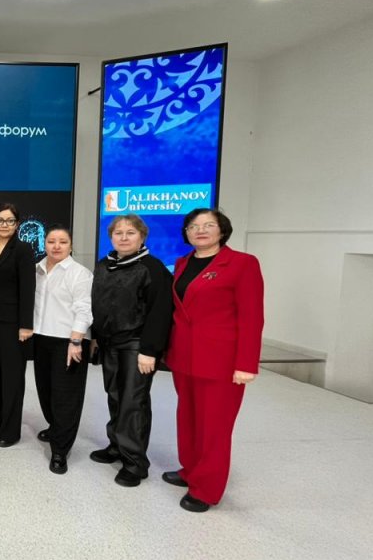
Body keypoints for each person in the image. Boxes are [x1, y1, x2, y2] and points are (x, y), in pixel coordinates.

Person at [163, 209, 264, 512]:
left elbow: (252, 317)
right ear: (186, 233)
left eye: (209, 225)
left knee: (214, 427)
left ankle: (206, 489)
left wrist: (246, 364)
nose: (201, 230)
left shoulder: (242, 264)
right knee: (188, 418)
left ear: (222, 231)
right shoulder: (183, 263)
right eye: (194, 226)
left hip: (221, 361)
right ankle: (190, 470)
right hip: (184, 358)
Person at [89, 214, 173, 487]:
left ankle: (135, 463)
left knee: (133, 402)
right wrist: (96, 337)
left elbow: (160, 312)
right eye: (118, 233)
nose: (124, 238)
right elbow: (98, 303)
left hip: (136, 345)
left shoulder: (152, 268)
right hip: (109, 342)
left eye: (130, 233)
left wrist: (150, 350)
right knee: (115, 396)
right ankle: (116, 446)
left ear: (142, 236)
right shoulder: (105, 265)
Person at [31, 226, 93, 474]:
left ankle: (60, 450)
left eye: (62, 241)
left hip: (69, 341)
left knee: (65, 396)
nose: (56, 246)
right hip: (41, 337)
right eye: (51, 241)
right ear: (44, 244)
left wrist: (76, 340)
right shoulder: (37, 270)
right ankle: (55, 427)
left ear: (71, 245)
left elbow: (84, 308)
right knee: (45, 390)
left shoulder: (80, 274)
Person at [0, 203, 36, 447]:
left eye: (10, 221)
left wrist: (26, 325)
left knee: (12, 376)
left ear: (17, 224)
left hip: (13, 323)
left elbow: (28, 288)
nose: (4, 225)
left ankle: (10, 430)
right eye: (0, 220)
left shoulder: (22, 250)